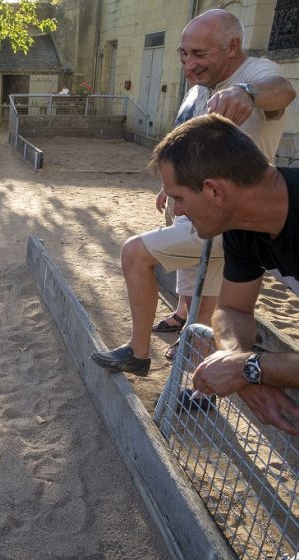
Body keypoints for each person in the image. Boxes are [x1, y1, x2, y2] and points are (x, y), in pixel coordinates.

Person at [90, 9, 295, 377]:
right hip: (218, 223)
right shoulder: (202, 87)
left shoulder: (254, 74)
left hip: (231, 214)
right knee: (209, 301)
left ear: (232, 47)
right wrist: (170, 190)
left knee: (135, 253)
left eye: (199, 55)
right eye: (184, 54)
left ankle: (139, 351)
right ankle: (199, 382)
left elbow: (283, 91)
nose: (189, 64)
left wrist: (247, 93)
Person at [151, 113, 299, 434]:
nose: (176, 211)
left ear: (213, 191)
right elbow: (231, 310)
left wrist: (250, 368)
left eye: (178, 197)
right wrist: (234, 358)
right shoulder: (242, 227)